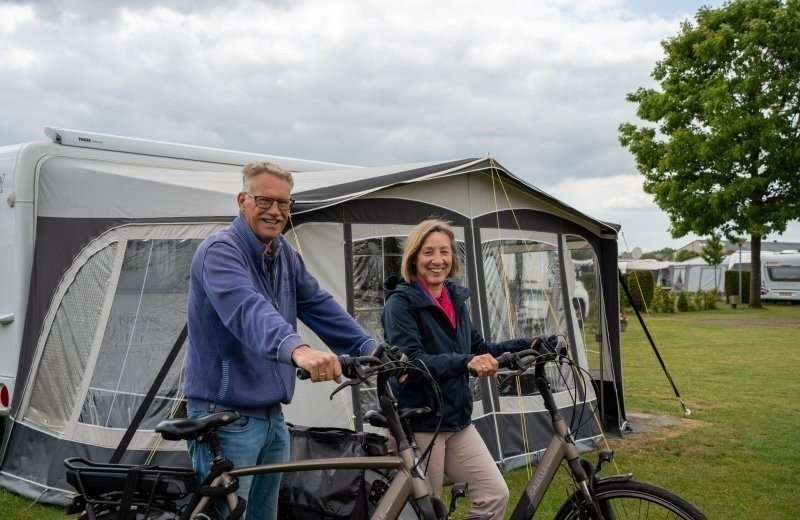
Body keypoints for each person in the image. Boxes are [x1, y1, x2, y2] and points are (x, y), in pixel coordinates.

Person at [183, 161, 379, 520]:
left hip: (272, 416)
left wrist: (370, 348)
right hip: (225, 417)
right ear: (242, 200)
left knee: (265, 516)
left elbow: (318, 304)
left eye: (284, 204)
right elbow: (247, 310)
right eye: (264, 200)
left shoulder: (283, 254)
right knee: (229, 516)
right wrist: (298, 351)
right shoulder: (221, 251)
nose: (275, 211)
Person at [381, 218, 531, 519]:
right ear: (414, 257)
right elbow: (410, 360)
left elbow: (478, 348)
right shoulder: (401, 304)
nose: (438, 260)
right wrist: (465, 362)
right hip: (421, 422)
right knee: (427, 509)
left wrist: (530, 344)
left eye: (444, 252)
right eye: (428, 252)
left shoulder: (454, 299)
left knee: (494, 493)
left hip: (456, 419)